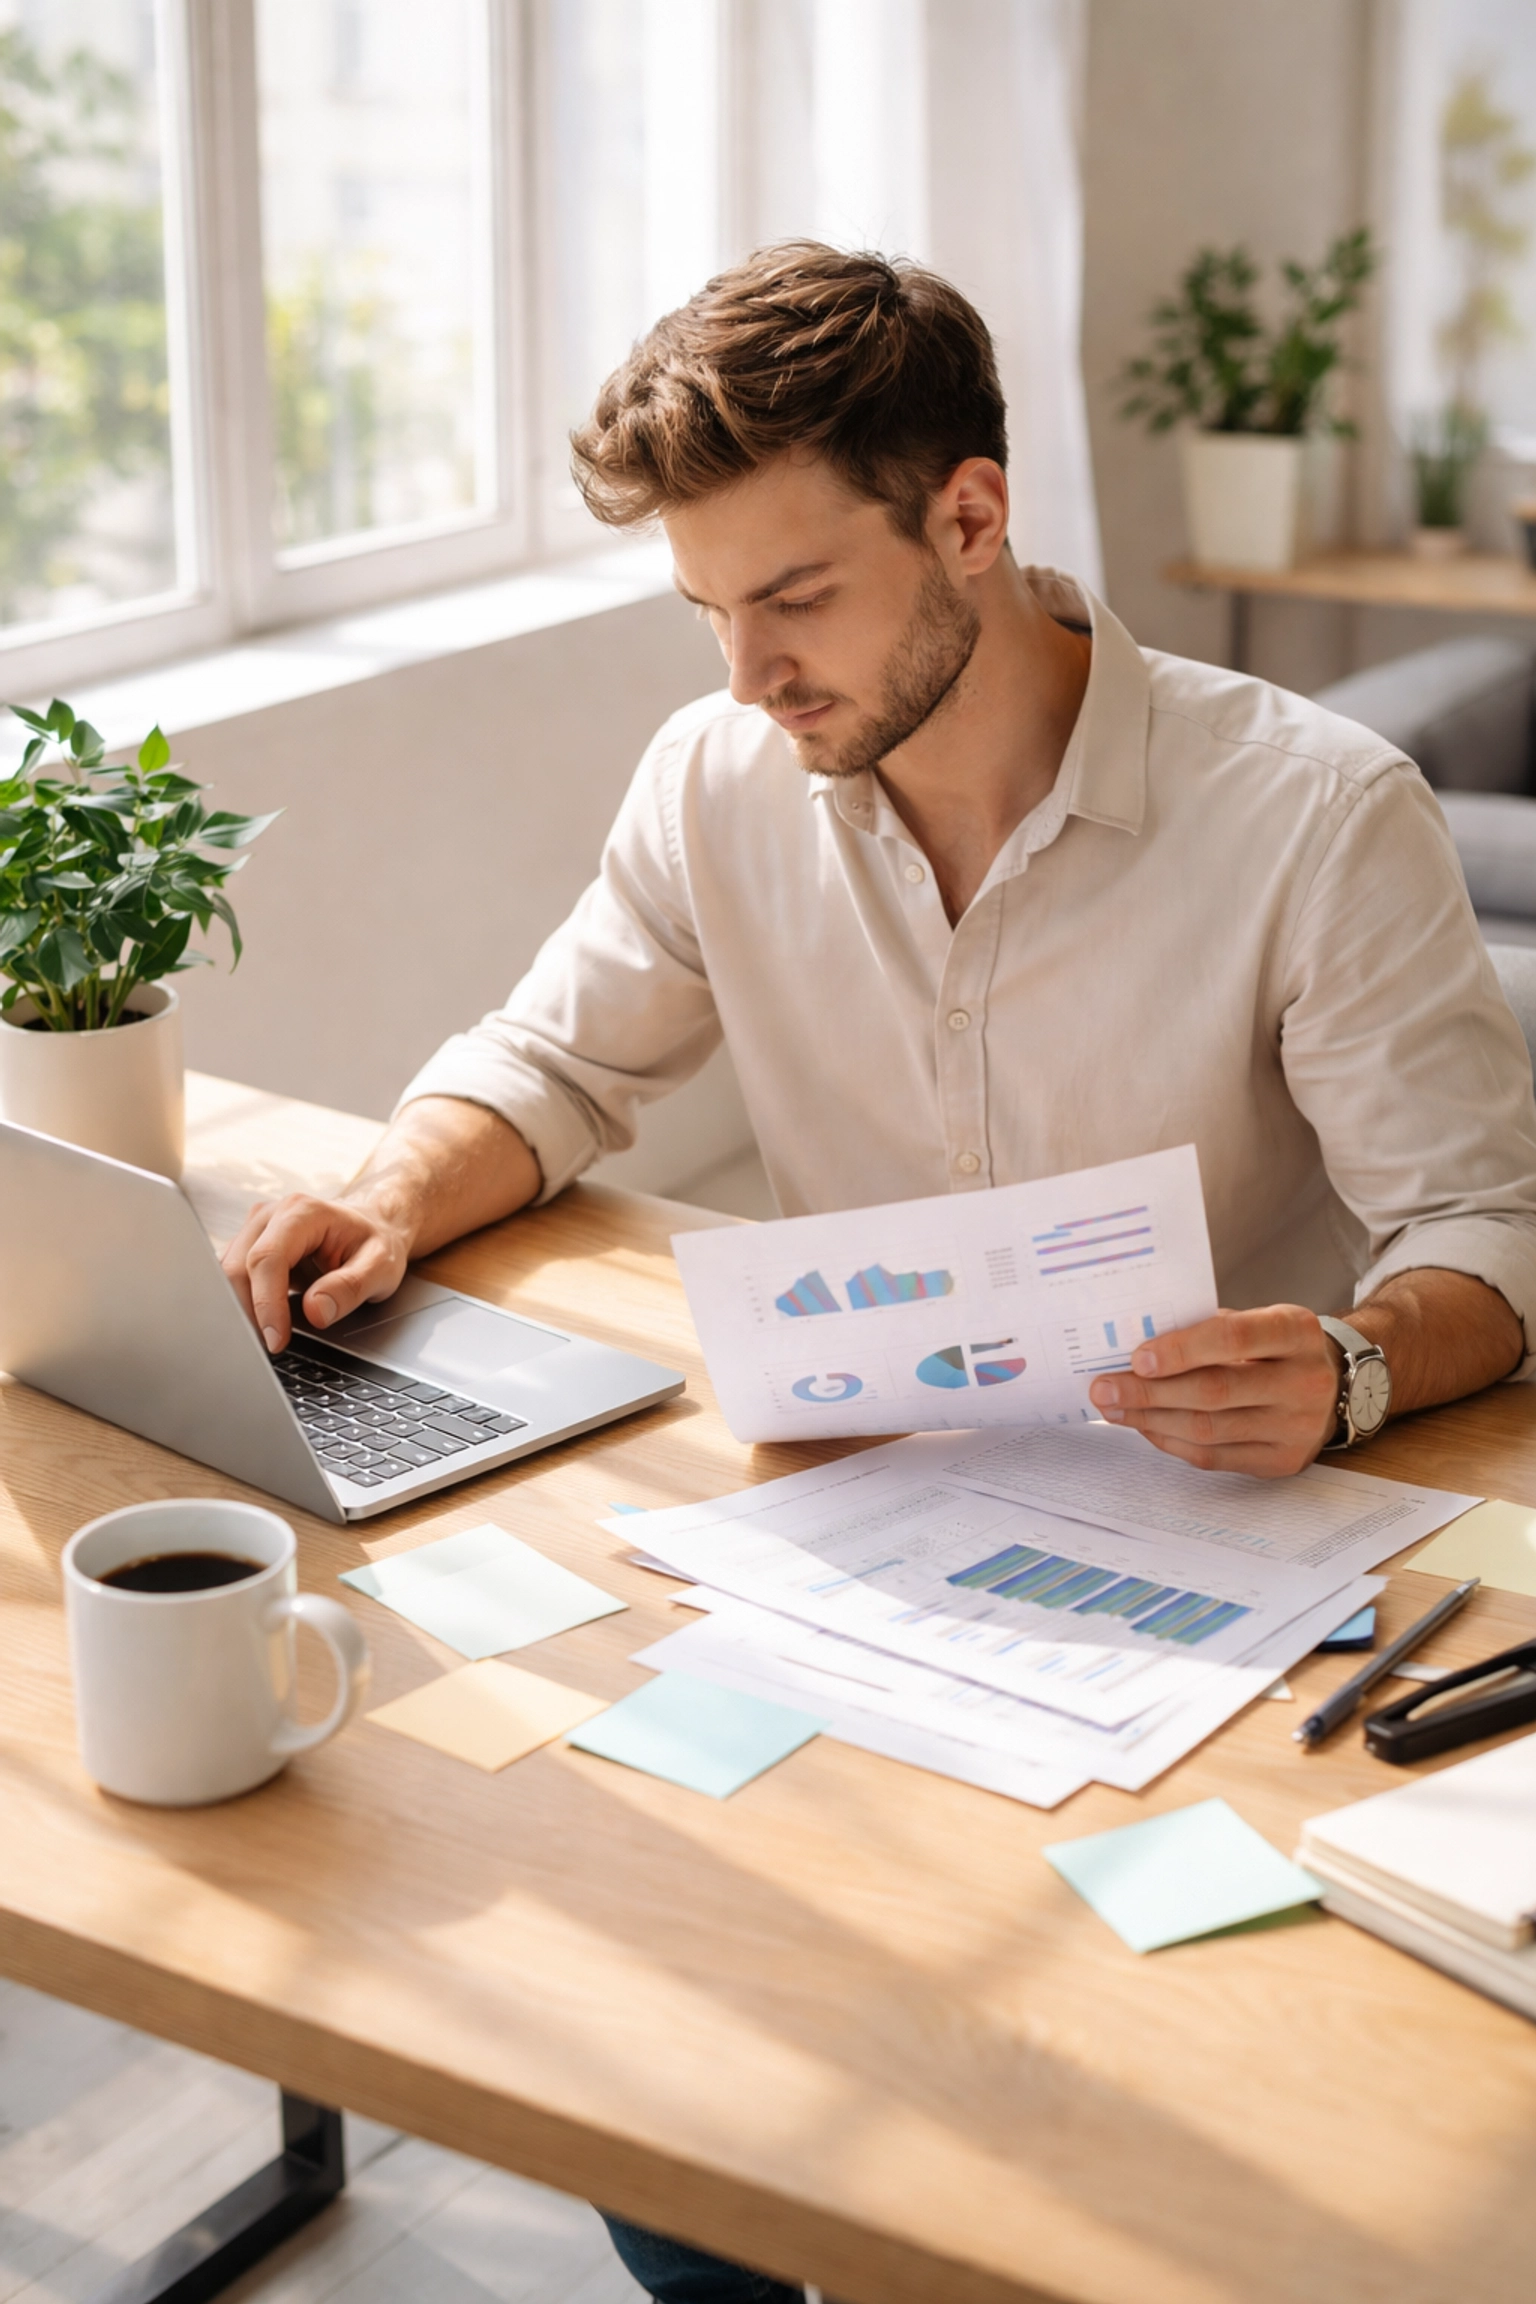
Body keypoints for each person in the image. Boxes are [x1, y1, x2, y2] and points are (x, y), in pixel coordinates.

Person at [223, 243, 1536, 2302]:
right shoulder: (725, 779)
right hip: (859, 1553)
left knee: (1103, 2164)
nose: (747, 673)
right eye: (706, 615)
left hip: (1227, 1598)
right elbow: (556, 1063)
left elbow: (1490, 1234)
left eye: (795, 599)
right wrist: (392, 1188)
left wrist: (1357, 1365)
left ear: (974, 520)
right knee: (673, 2088)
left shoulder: (1310, 817)